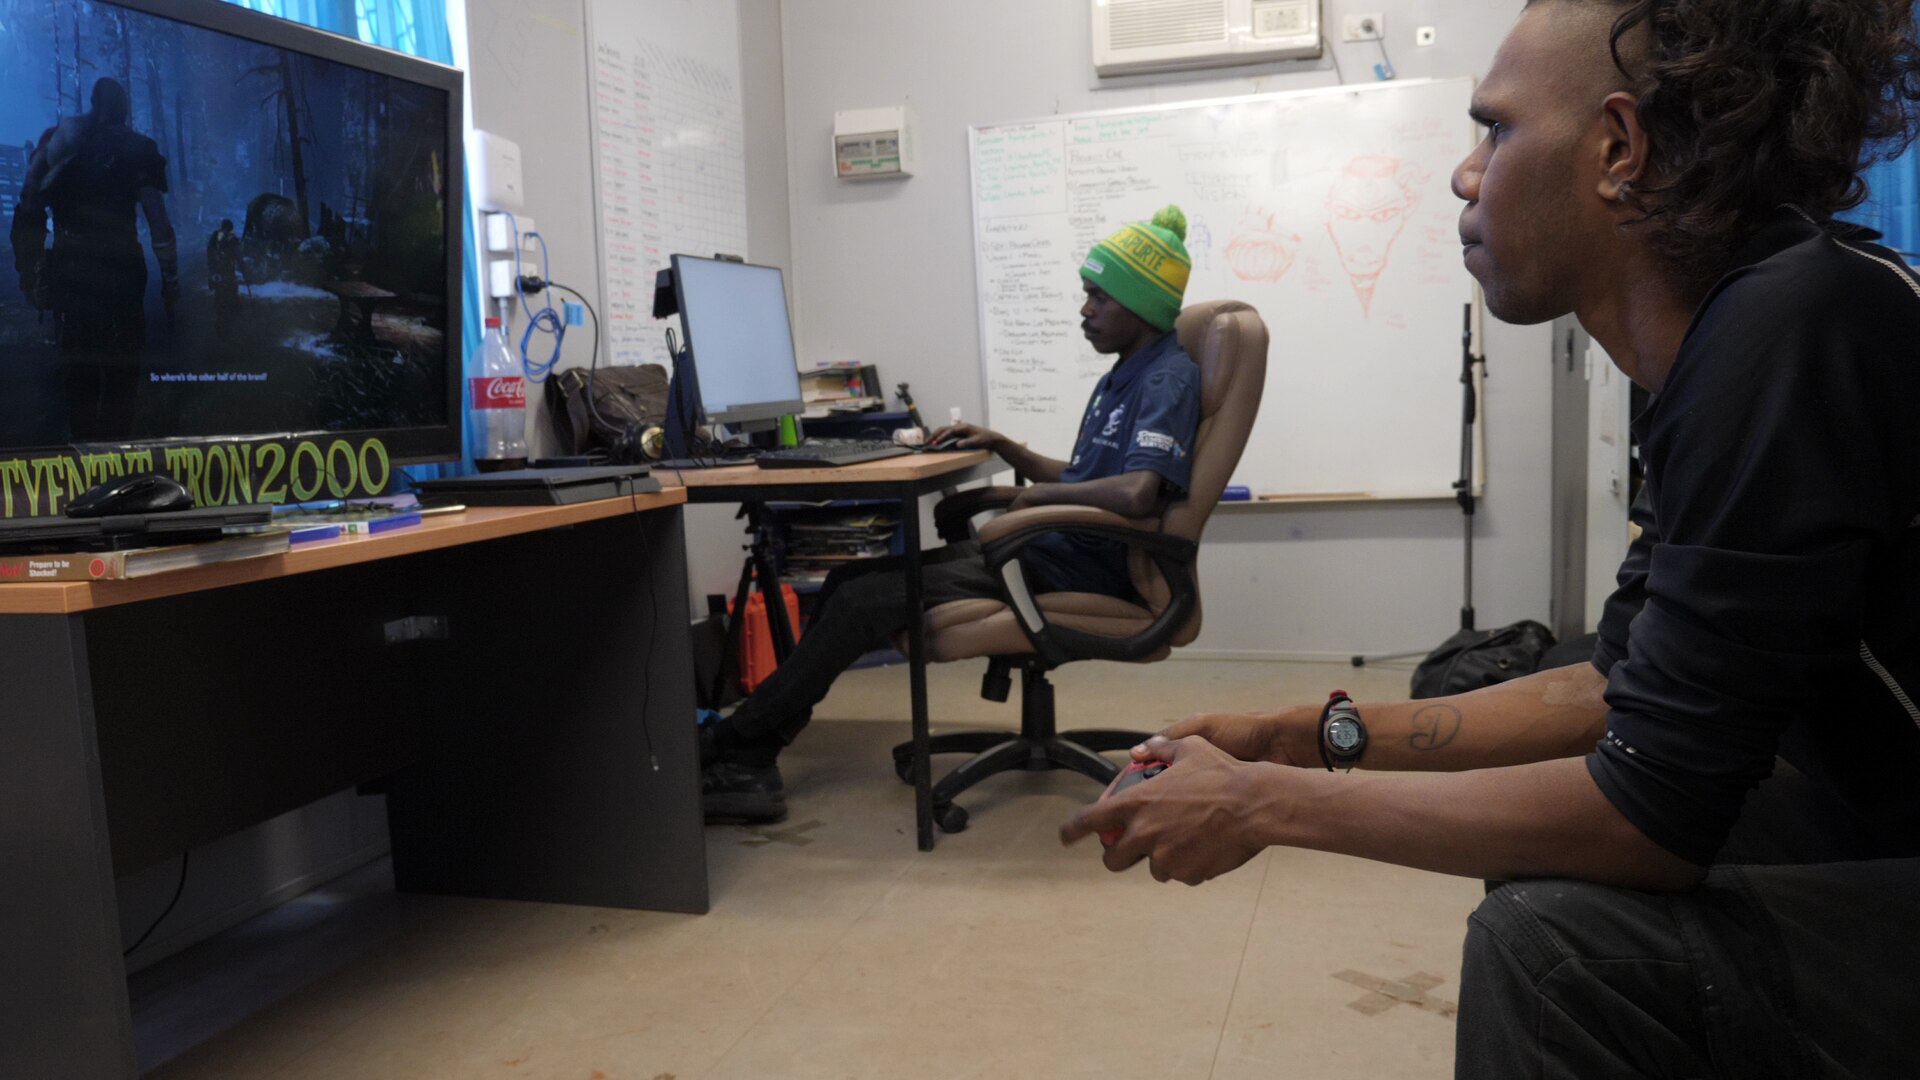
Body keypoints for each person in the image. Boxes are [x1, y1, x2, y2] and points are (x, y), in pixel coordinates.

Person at [1061, 2, 1920, 1076]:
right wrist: (1298, 735)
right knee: (1542, 846)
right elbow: (1610, 685)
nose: (1465, 176)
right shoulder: (1742, 332)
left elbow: (1648, 817)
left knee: (1550, 951)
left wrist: (1261, 803)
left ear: (1618, 148)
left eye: (1496, 130)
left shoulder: (1784, 336)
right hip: (1876, 803)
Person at [703, 206, 1204, 824]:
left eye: (1100, 298)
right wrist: (1007, 447)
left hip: (1079, 566)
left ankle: (739, 745)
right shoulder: (1126, 375)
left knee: (861, 601)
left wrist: (1033, 501)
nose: (1085, 310)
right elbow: (1084, 478)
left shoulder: (1166, 381)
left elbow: (1137, 494)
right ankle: (757, 742)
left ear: (1142, 306)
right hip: (1054, 550)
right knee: (847, 581)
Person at [9, 77, 178, 441]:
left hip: (74, 273)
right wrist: (171, 281)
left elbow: (29, 210)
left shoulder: (61, 141)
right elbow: (160, 226)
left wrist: (30, 275)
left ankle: (86, 454)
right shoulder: (136, 148)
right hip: (119, 275)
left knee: (80, 378)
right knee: (120, 377)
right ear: (123, 108)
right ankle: (112, 455)